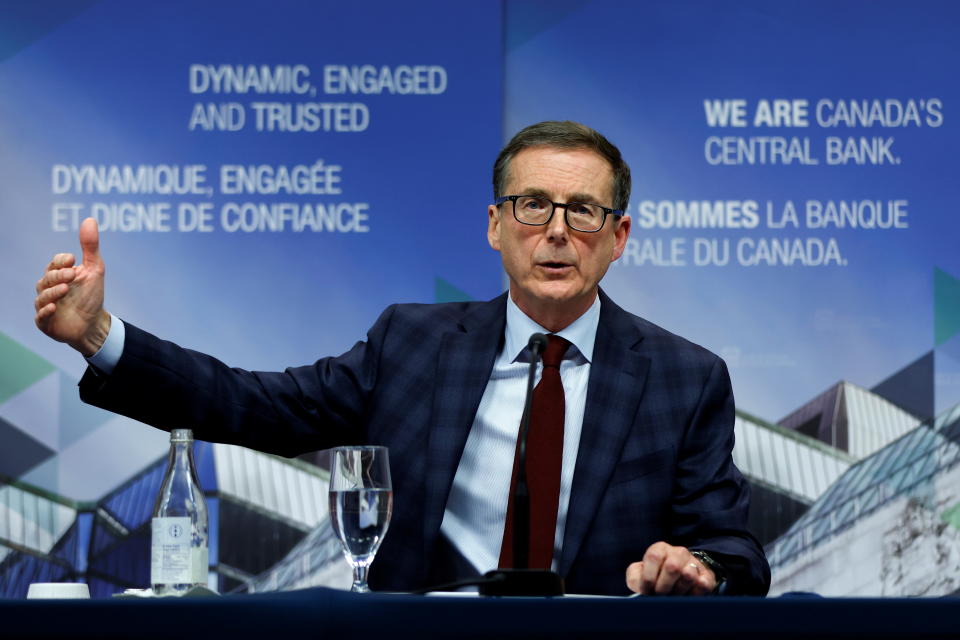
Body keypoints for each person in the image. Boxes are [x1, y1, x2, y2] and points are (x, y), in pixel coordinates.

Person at [34, 121, 770, 596]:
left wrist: (697, 569)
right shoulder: (412, 345)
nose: (556, 231)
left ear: (620, 237)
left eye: (584, 211)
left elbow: (733, 548)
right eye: (532, 205)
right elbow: (255, 405)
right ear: (495, 226)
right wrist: (101, 337)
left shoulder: (684, 376)